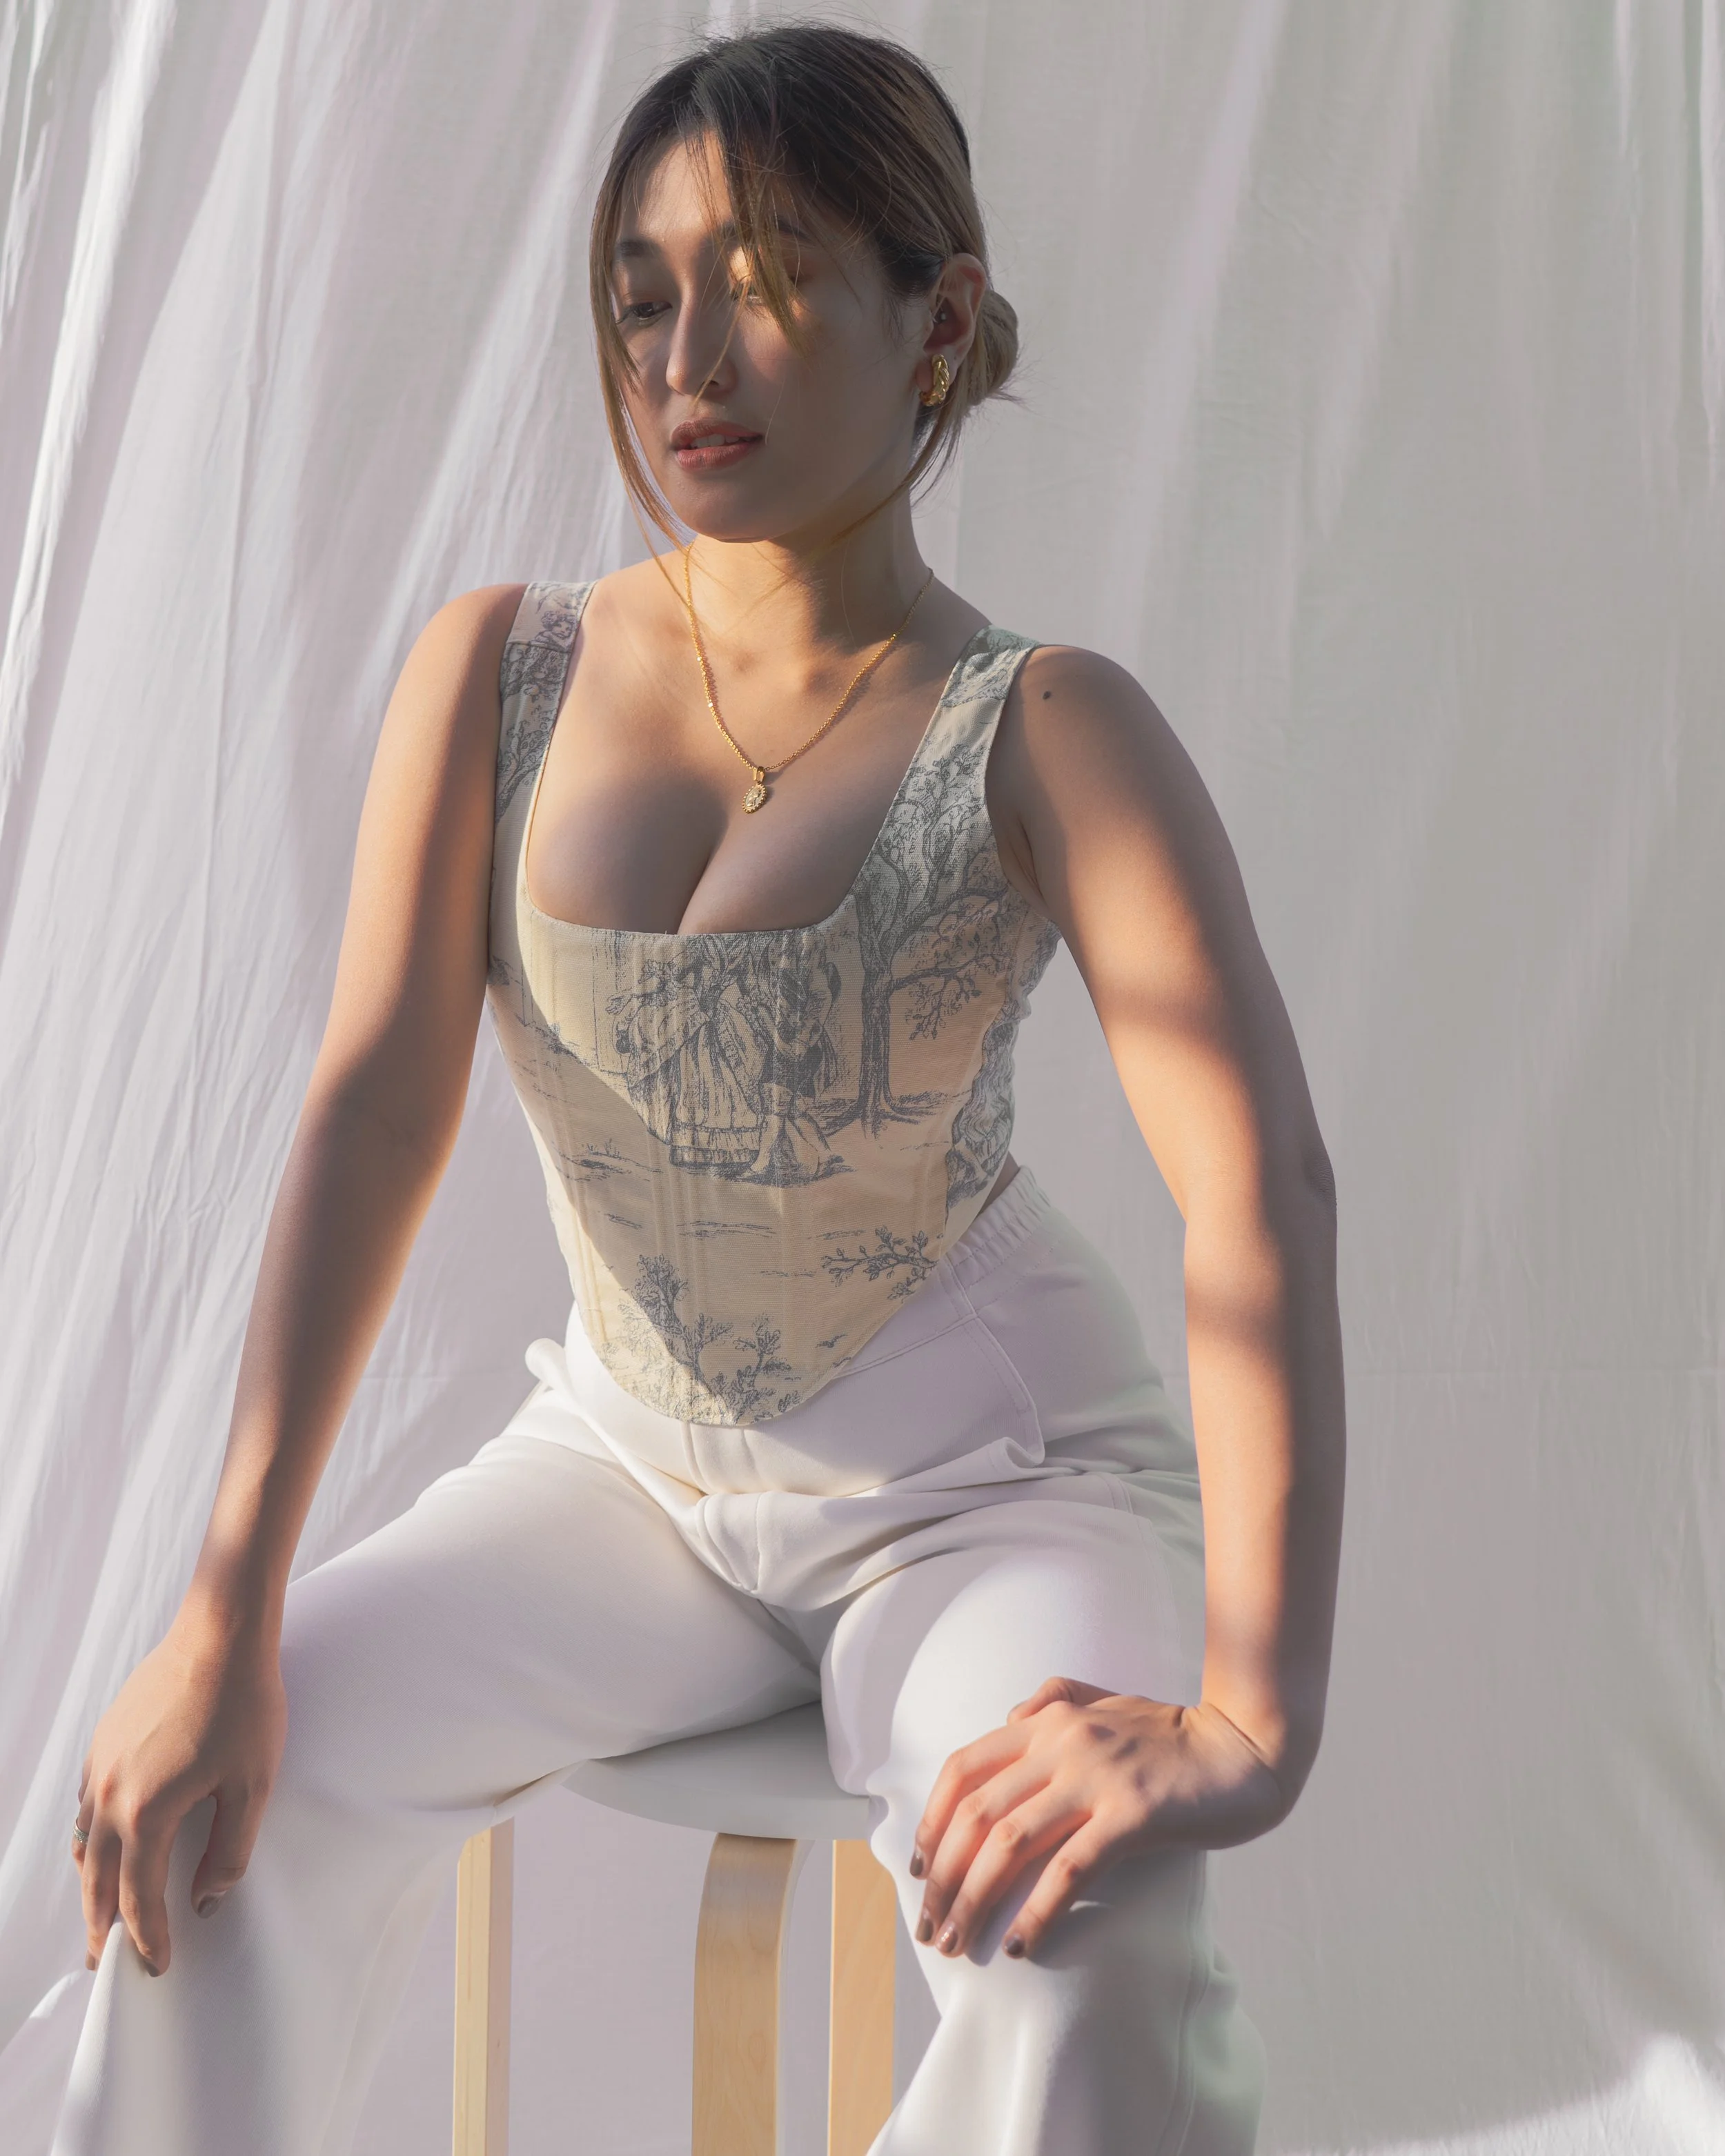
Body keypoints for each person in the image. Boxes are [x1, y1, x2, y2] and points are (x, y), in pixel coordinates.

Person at [54, 21, 1344, 2155]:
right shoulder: (500, 665)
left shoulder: (1046, 724)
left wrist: (1254, 1719)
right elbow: (375, 1106)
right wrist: (222, 1597)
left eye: (764, 276)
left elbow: (1259, 1189)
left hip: (983, 1478)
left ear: (936, 325)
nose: (686, 353)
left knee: (1085, 1922)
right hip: (625, 1467)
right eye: (642, 293)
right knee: (207, 1833)